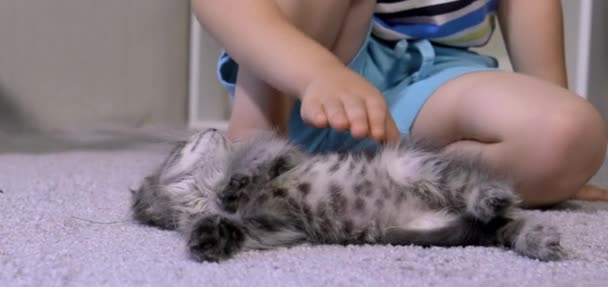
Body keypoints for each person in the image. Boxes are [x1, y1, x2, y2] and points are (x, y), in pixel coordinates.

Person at [192, 0, 608, 207]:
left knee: (567, 132)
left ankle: (382, 183)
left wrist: (565, 164)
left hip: (434, 80)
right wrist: (318, 72)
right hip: (305, 79)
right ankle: (255, 142)